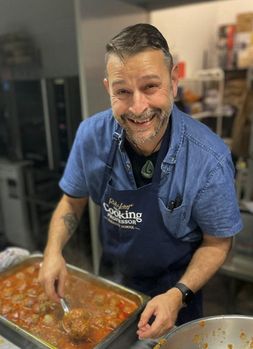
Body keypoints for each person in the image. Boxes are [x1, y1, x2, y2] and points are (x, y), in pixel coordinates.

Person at [38, 23, 242, 339]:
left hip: (175, 296)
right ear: (108, 88)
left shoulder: (208, 158)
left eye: (150, 86)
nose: (138, 107)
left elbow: (217, 243)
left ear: (174, 81)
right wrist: (52, 251)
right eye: (122, 91)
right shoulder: (91, 136)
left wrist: (178, 294)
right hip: (109, 287)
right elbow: (72, 199)